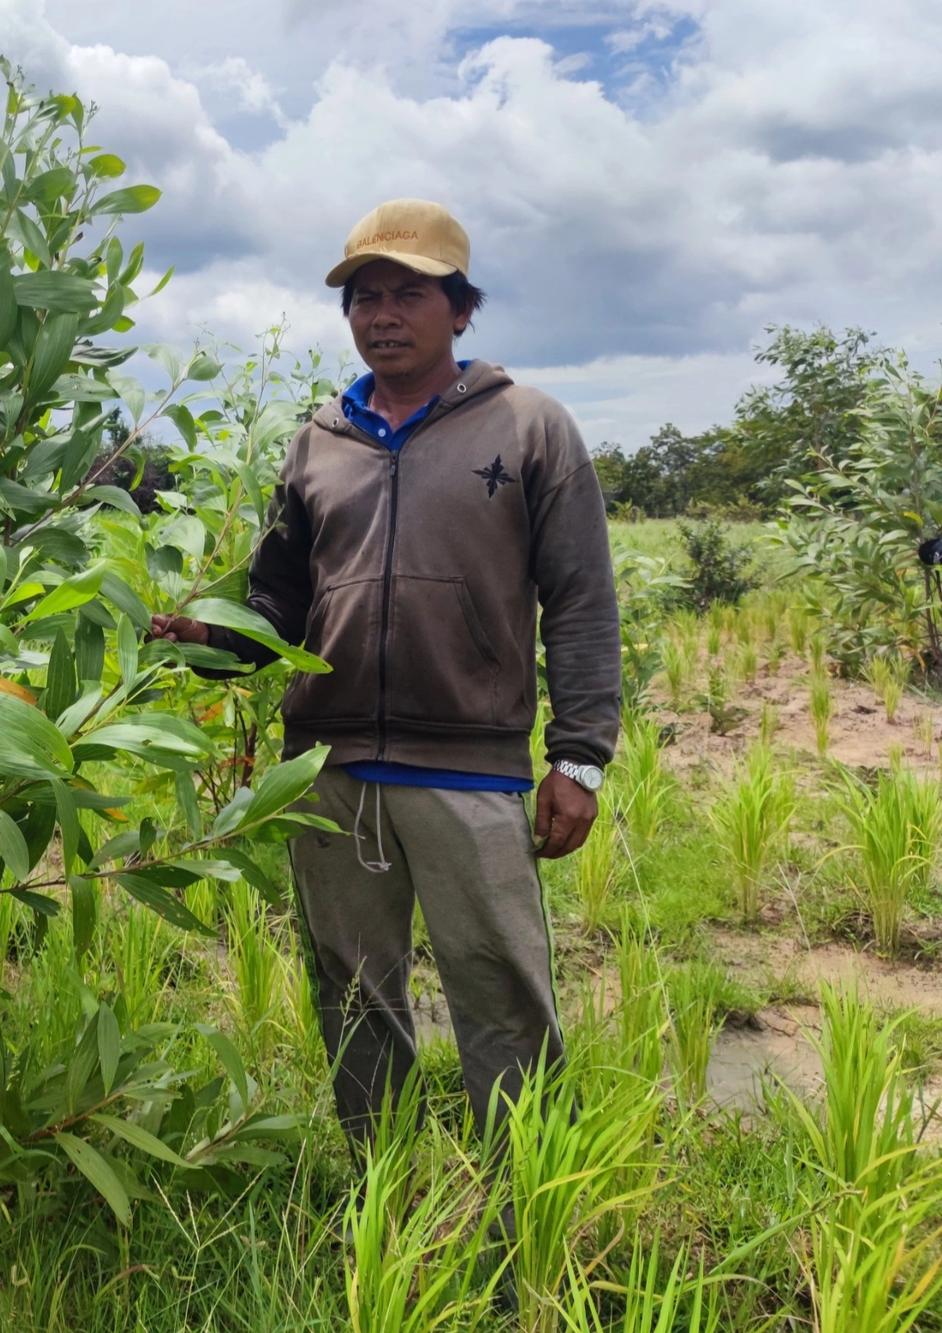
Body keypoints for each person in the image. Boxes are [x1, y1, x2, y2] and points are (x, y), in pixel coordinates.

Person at [152, 199, 620, 1144]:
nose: (382, 314)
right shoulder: (317, 443)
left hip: (470, 766)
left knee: (504, 996)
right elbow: (282, 603)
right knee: (355, 997)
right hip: (327, 771)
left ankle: (524, 1211)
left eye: (409, 293)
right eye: (365, 296)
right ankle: (386, 1194)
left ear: (460, 308)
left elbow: (580, 599)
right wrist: (210, 636)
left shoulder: (531, 428)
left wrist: (579, 758)